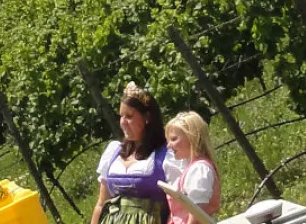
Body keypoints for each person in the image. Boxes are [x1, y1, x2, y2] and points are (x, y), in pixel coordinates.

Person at [91, 81, 170, 224]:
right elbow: (102, 203)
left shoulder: (166, 154)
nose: (122, 122)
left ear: (147, 117)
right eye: (121, 116)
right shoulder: (114, 151)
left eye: (129, 116)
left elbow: (178, 204)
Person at [162, 112, 221, 224]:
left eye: (174, 139)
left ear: (192, 137)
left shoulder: (199, 169)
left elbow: (197, 215)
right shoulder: (191, 167)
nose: (169, 145)